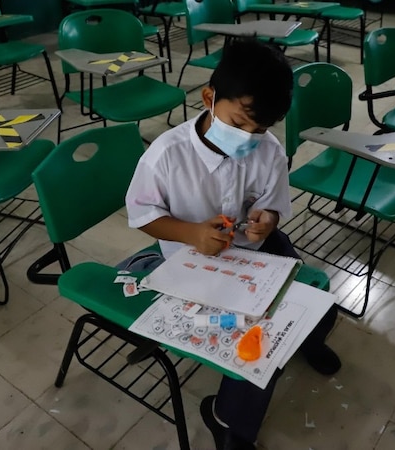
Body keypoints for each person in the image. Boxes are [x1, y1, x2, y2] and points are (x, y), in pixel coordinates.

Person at [122, 38, 340, 450]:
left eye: (260, 129)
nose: (249, 137)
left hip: (252, 248)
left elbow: (272, 204)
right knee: (256, 342)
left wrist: (266, 220)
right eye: (239, 124)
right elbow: (144, 215)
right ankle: (230, 422)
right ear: (209, 98)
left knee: (314, 296)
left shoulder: (268, 150)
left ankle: (311, 338)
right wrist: (191, 234)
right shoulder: (166, 155)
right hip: (192, 259)